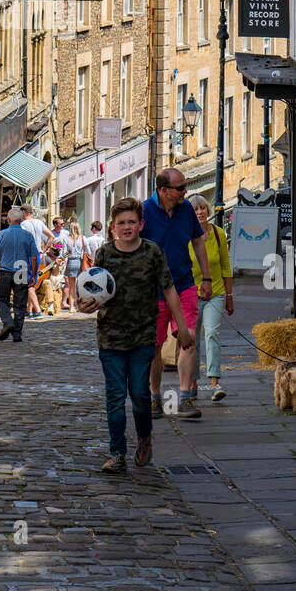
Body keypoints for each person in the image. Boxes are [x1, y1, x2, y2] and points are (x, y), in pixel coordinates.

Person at [78, 197, 192, 473]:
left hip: (143, 336)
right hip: (110, 337)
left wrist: (182, 327)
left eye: (132, 222)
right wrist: (84, 306)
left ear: (141, 224)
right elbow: (89, 291)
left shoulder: (152, 252)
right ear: (113, 228)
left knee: (140, 394)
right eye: (121, 223)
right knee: (115, 396)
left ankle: (144, 438)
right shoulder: (105, 254)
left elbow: (169, 290)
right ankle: (117, 453)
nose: (127, 227)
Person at [142, 169, 212, 421]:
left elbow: (198, 242)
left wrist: (206, 278)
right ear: (163, 190)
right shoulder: (145, 212)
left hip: (183, 285)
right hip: (154, 290)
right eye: (180, 188)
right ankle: (154, 398)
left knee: (189, 338)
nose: (185, 192)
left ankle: (184, 398)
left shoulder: (186, 211)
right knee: (154, 346)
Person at [188, 195, 234, 401]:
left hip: (215, 292)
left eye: (203, 209)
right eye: (195, 209)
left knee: (212, 334)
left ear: (208, 211)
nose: (200, 212)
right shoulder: (184, 236)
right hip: (191, 294)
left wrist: (230, 296)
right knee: (192, 340)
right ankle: (192, 382)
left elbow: (226, 266)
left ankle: (215, 383)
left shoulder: (219, 234)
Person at [0, 207, 39, 343]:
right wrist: (33, 274)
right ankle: (17, 333)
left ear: (8, 220)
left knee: (2, 299)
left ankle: (8, 321)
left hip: (5, 271)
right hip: (21, 271)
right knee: (20, 302)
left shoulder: (2, 235)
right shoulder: (27, 236)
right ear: (21, 220)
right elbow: (33, 257)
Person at [22, 203, 54, 317]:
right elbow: (51, 236)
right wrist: (44, 250)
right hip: (38, 254)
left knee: (28, 284)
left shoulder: (24, 224)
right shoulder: (39, 223)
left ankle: (37, 310)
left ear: (24, 212)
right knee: (33, 283)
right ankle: (29, 310)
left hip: (28, 255)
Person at [62, 221, 85, 312]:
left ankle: (72, 306)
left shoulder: (66, 239)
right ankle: (81, 304)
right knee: (80, 285)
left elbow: (65, 253)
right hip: (80, 262)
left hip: (71, 262)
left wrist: (64, 259)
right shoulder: (82, 238)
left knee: (72, 286)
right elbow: (88, 250)